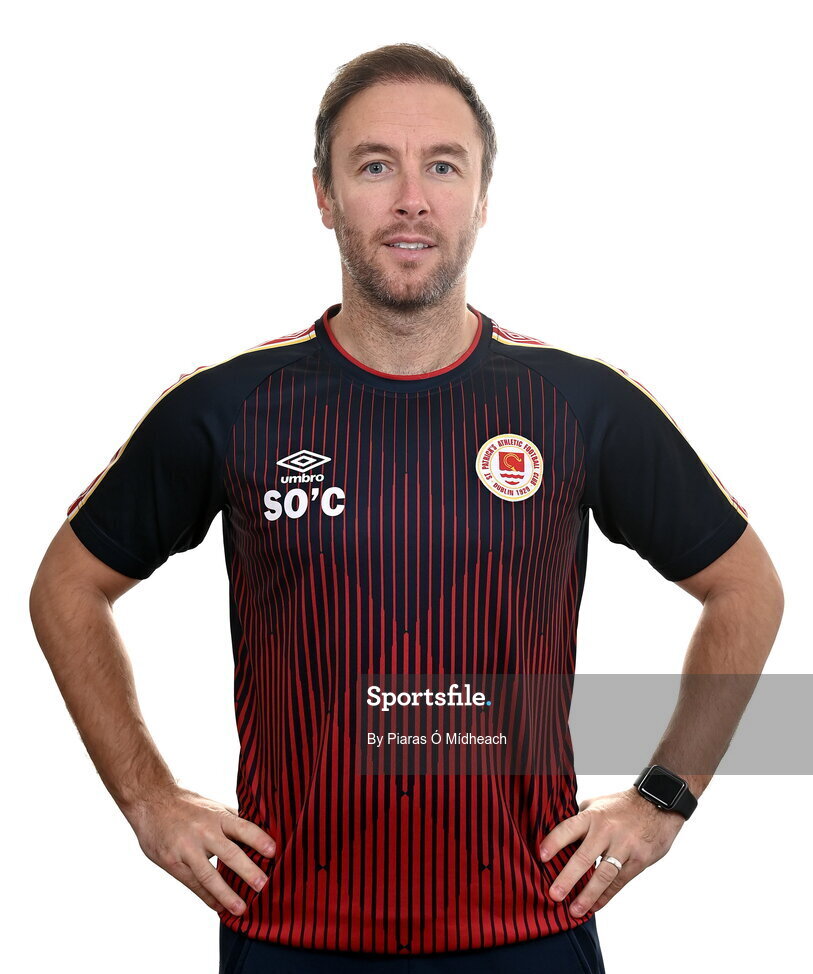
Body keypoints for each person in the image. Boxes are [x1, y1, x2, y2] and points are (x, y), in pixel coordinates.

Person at [29, 43, 783, 974]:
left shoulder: (580, 405)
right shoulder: (227, 408)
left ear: (483, 196)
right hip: (289, 932)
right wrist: (147, 800)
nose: (412, 199)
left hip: (529, 929)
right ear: (324, 195)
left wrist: (663, 799)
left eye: (443, 167)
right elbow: (66, 587)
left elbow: (747, 588)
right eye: (376, 165)